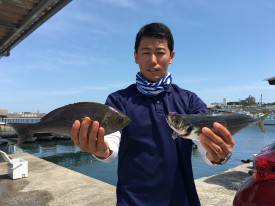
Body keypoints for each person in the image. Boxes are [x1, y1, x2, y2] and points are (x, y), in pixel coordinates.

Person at [71, 22, 235, 206]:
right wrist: (101, 150)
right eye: (146, 52)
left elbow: (204, 143)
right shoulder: (119, 100)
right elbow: (111, 144)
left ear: (171, 56)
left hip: (182, 200)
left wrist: (216, 154)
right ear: (136, 57)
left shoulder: (189, 100)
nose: (153, 60)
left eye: (160, 52)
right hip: (132, 201)